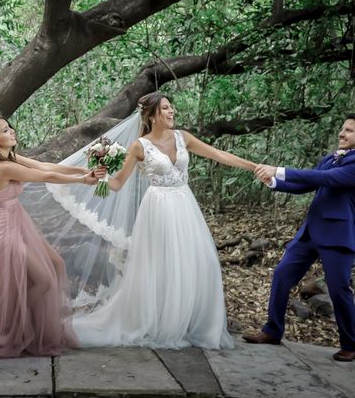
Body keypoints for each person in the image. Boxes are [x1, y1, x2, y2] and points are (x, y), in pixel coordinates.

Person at [72, 91, 256, 349]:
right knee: (160, 264)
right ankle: (159, 322)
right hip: (157, 209)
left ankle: (186, 321)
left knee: (195, 262)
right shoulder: (139, 146)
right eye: (166, 108)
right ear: (150, 115)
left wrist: (254, 167)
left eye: (172, 108)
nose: (172, 112)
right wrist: (96, 175)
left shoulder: (183, 138)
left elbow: (219, 155)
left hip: (184, 205)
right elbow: (116, 184)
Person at [0, 114, 102, 357]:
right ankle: (9, 328)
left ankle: (26, 323)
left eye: (10, 127)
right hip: (2, 228)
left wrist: (84, 169)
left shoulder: (8, 157)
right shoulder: (2, 167)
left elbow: (46, 167)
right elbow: (47, 178)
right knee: (43, 280)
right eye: (5, 130)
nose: (11, 131)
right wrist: (82, 180)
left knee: (56, 263)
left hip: (15, 219)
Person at [243, 114, 355, 362]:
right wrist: (273, 182)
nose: (342, 133)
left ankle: (351, 343)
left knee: (339, 290)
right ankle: (272, 331)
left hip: (337, 235)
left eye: (349, 131)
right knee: (282, 274)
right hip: (309, 232)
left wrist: (280, 170)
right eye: (342, 128)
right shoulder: (330, 158)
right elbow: (308, 184)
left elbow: (323, 179)